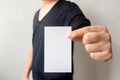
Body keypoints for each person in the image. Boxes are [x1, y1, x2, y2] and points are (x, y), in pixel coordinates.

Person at [23, 0, 112, 80]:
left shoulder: (68, 9)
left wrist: (98, 39)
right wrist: (25, 74)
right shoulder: (36, 15)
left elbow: (85, 30)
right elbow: (34, 45)